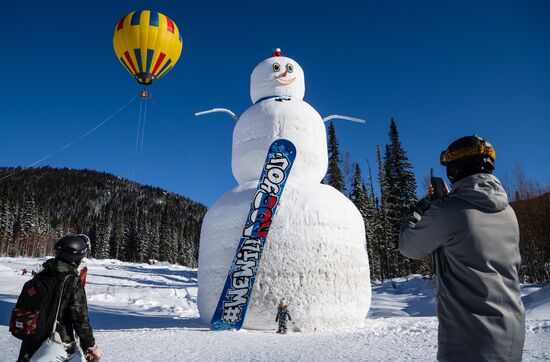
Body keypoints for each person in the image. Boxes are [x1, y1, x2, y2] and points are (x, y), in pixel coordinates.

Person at [399, 135, 525, 362]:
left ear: (457, 167)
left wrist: (420, 209)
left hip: (467, 342)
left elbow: (409, 246)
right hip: (512, 338)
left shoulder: (449, 212)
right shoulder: (509, 212)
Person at [17, 234, 102, 362]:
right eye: (81, 259)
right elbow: (80, 318)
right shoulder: (72, 280)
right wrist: (91, 345)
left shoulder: (43, 273)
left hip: (31, 339)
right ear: (75, 257)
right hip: (57, 343)